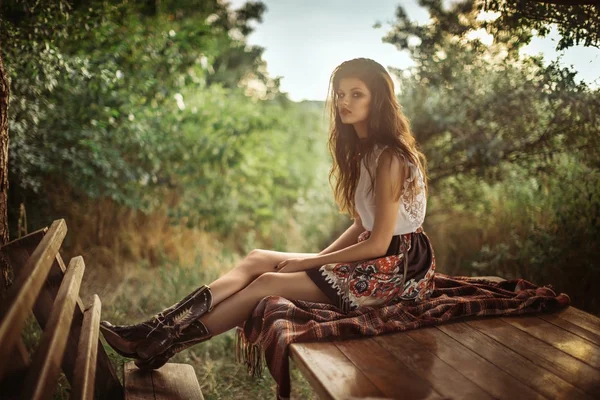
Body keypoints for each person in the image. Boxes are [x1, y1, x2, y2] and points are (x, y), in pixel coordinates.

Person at [99, 57, 436, 370]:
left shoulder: (389, 158)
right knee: (258, 257)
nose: (344, 102)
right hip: (376, 259)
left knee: (267, 282)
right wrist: (320, 260)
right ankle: (153, 329)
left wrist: (309, 264)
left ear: (377, 100)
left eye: (356, 94)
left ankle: (163, 346)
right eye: (340, 93)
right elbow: (361, 225)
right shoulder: (363, 154)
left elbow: (378, 243)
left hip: (398, 269)